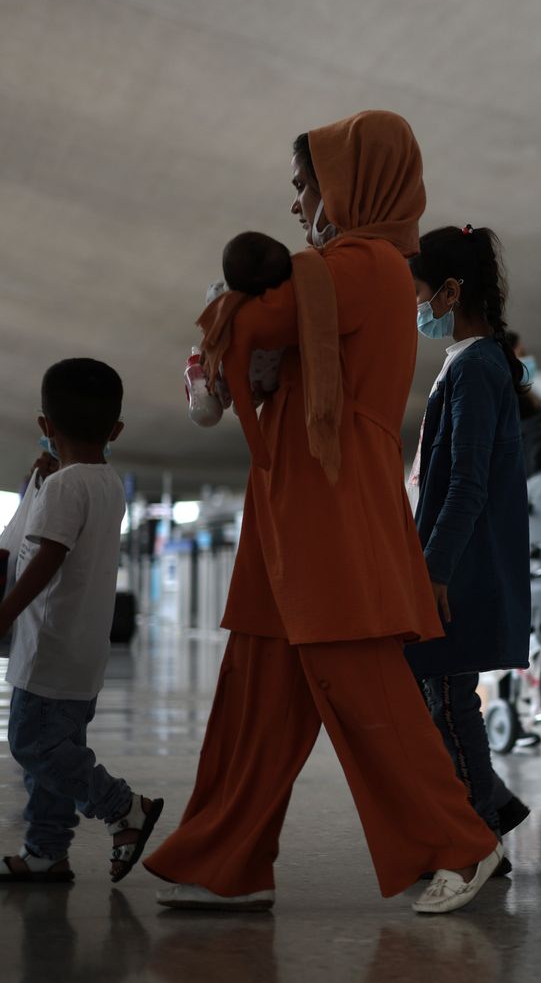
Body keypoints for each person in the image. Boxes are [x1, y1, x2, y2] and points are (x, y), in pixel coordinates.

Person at [143, 111, 504, 915]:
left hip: (331, 508)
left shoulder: (362, 263)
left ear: (351, 180)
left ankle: (462, 844)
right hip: (300, 503)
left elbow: (257, 320)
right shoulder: (339, 268)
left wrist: (233, 298)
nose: (300, 199)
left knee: (364, 688)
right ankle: (225, 860)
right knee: (256, 693)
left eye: (308, 182)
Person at [0, 360, 164, 884]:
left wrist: (2, 614)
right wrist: (40, 483)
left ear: (46, 426)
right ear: (114, 431)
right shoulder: (106, 483)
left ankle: (123, 807)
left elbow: (44, 561)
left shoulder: (64, 487)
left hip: (48, 652)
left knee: (34, 746)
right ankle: (47, 852)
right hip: (81, 654)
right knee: (51, 761)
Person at [406, 224, 534, 845]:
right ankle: (488, 808)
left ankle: (480, 827)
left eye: (420, 294)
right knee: (440, 696)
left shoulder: (477, 367)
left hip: (456, 571)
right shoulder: (467, 364)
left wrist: (434, 569)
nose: (417, 310)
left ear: (451, 292)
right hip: (447, 562)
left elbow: (466, 484)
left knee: (450, 702)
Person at [186, 232, 294, 427]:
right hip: (268, 381)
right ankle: (248, 401)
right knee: (259, 378)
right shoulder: (283, 311)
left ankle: (220, 396)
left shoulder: (219, 298)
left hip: (231, 373)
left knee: (213, 366)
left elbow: (214, 290)